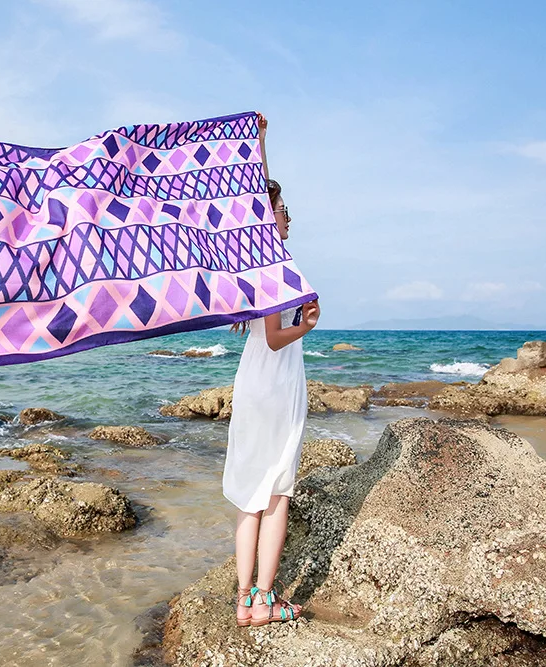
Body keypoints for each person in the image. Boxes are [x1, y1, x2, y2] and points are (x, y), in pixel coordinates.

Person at [223, 112, 320, 627]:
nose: (287, 216)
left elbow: (252, 194)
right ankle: (264, 599)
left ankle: (244, 600)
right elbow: (276, 336)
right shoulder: (275, 265)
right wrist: (308, 323)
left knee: (249, 494)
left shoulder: (252, 259)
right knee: (278, 492)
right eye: (282, 210)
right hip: (276, 384)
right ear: (269, 217)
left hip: (253, 382)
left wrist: (258, 142)